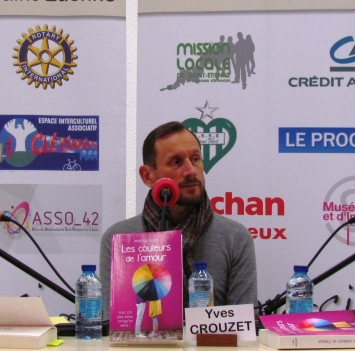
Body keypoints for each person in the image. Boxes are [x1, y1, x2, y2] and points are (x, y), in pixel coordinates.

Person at [100, 121, 257, 315]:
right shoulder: (119, 239)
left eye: (195, 159)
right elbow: (110, 324)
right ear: (148, 176)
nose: (191, 171)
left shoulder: (235, 237)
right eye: (176, 162)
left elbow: (246, 325)